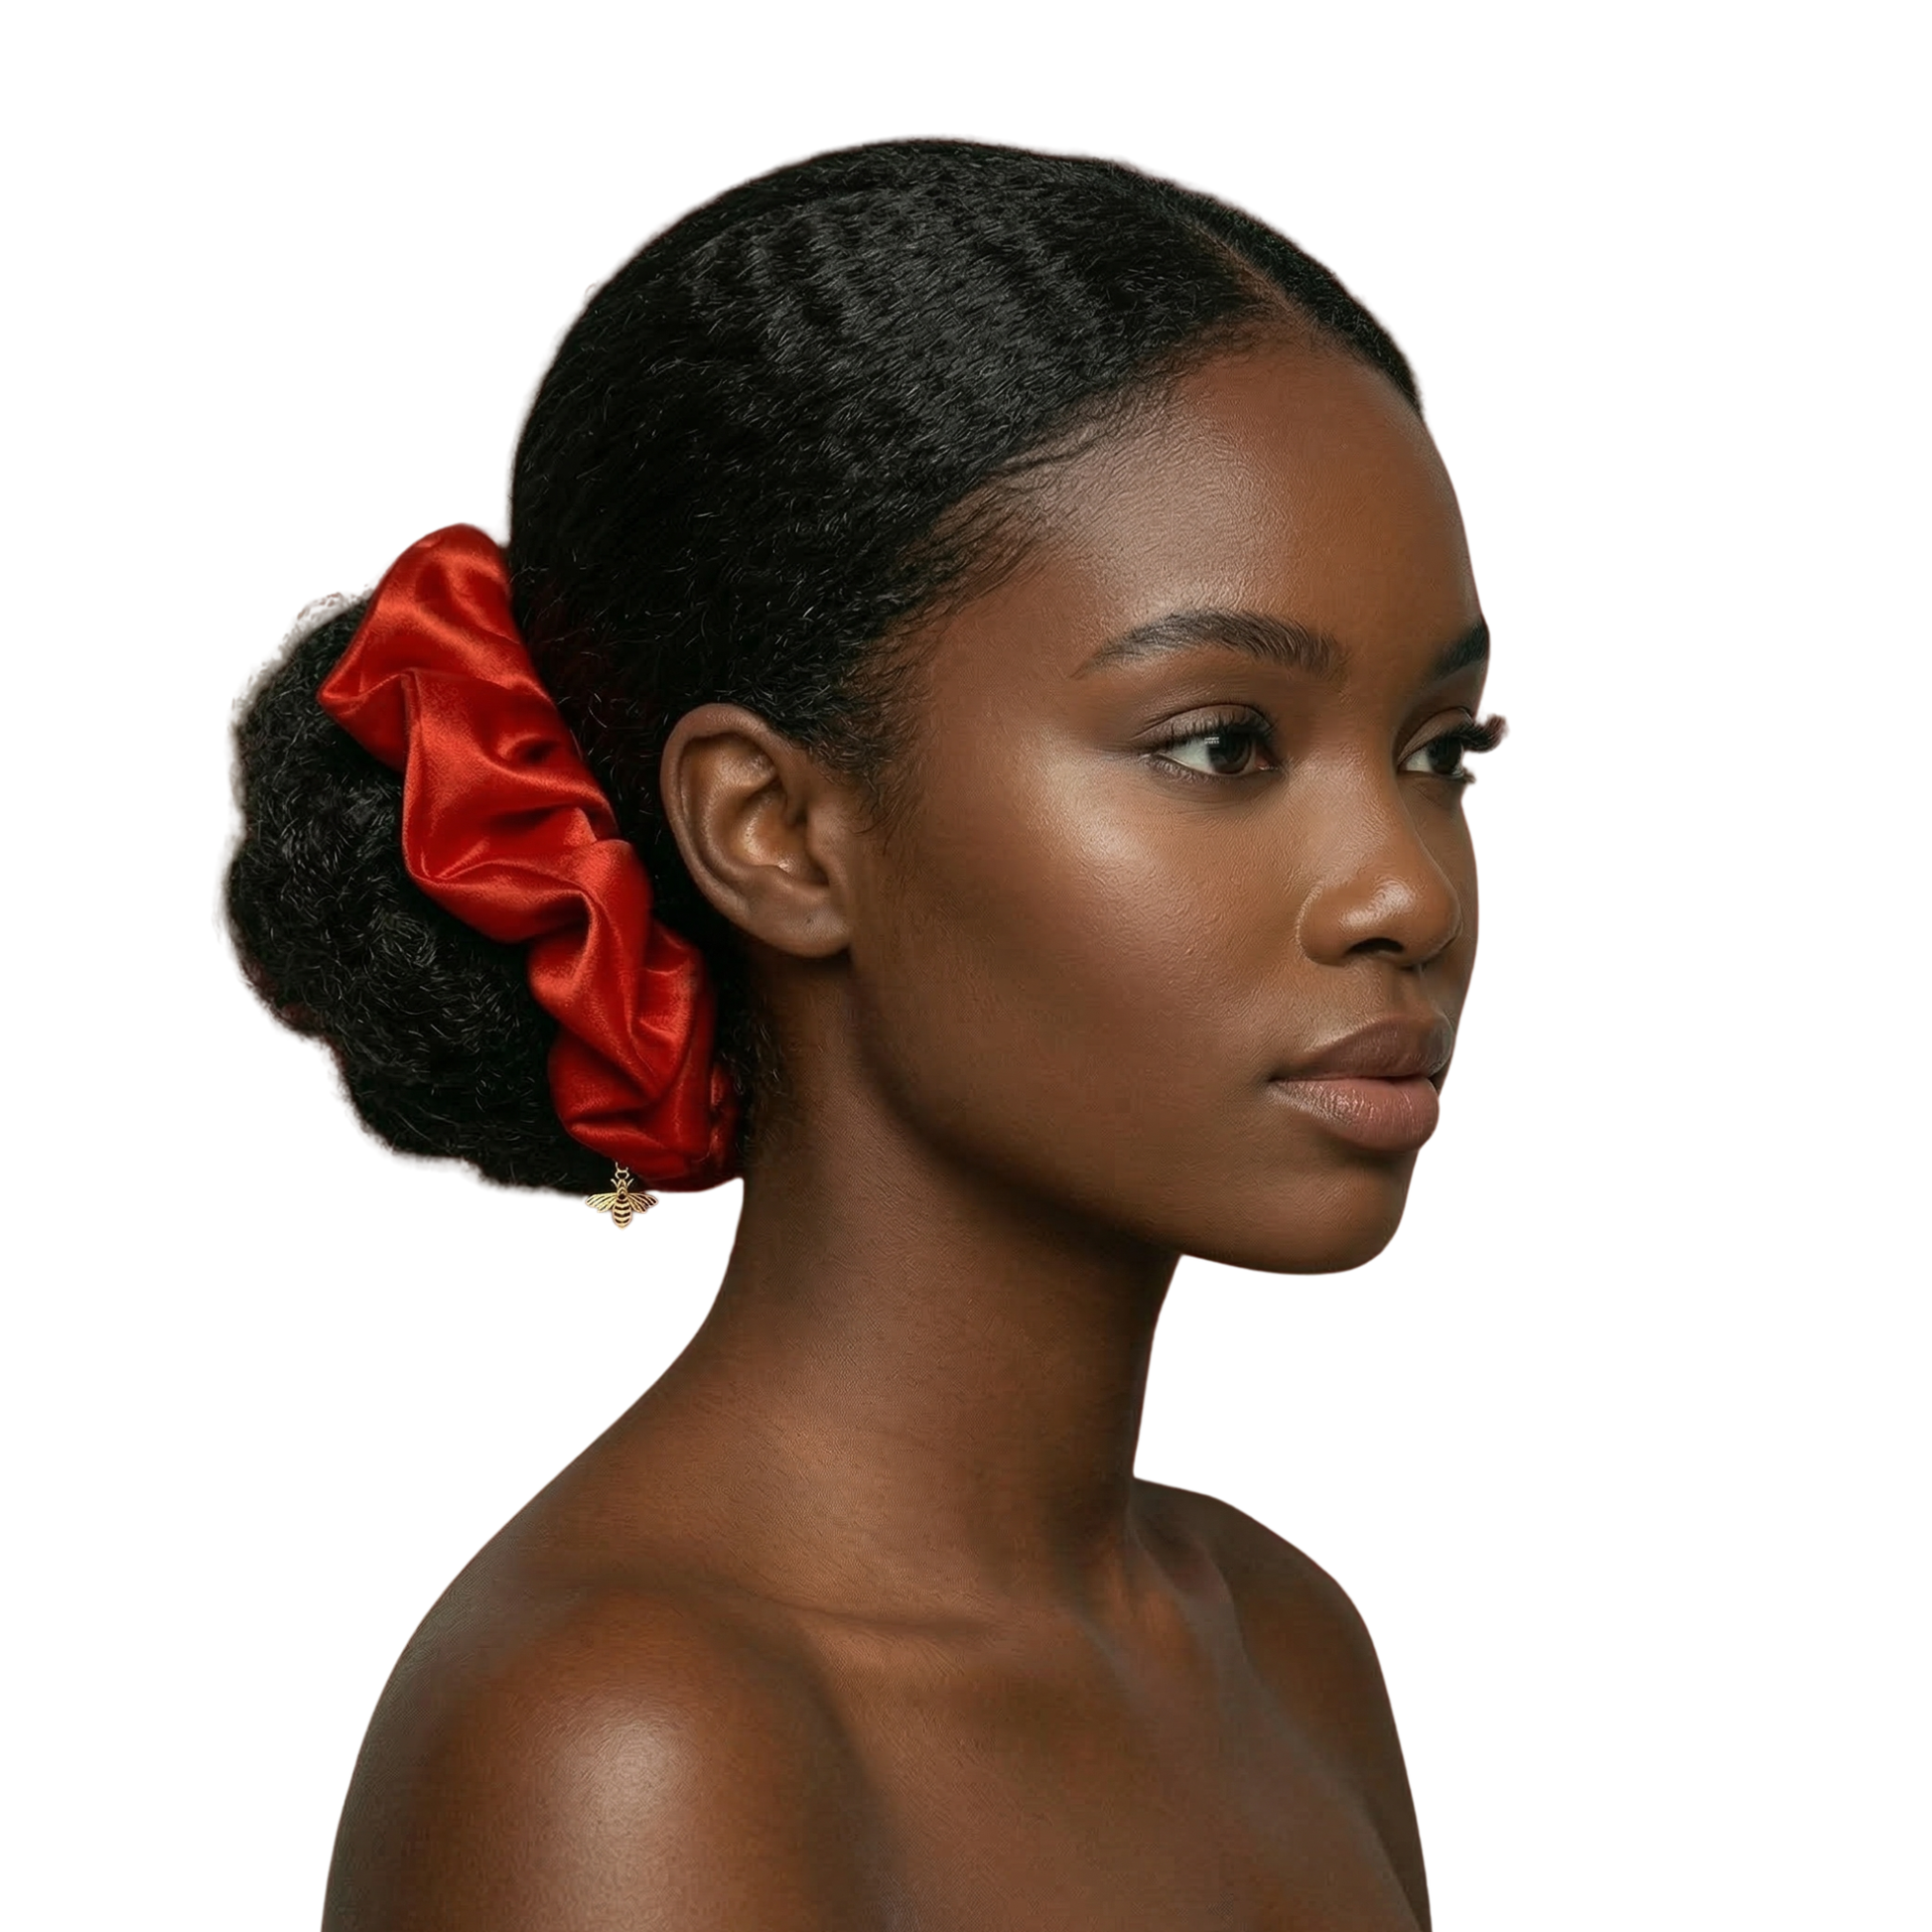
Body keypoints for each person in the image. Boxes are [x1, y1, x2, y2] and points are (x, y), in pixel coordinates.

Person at [228, 137, 1501, 1931]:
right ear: (774, 828)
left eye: (1441, 750)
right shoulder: (632, 1745)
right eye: (1219, 742)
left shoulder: (1283, 1650)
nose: (1405, 893)